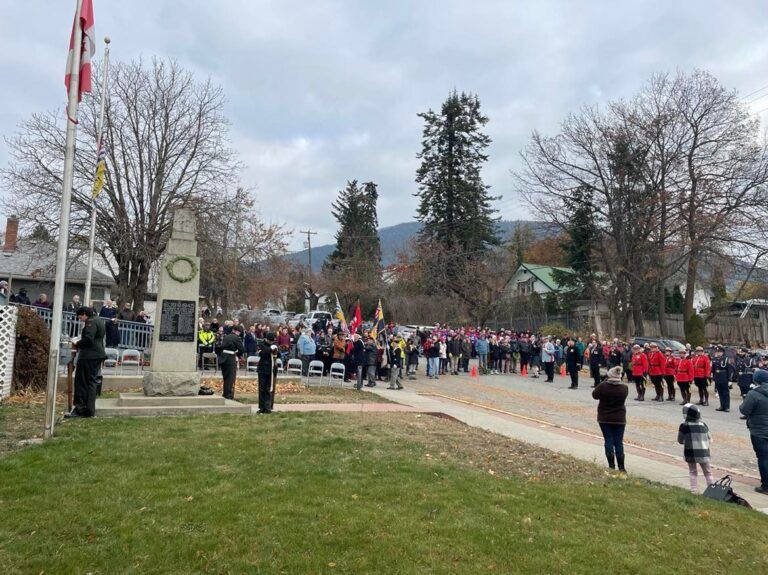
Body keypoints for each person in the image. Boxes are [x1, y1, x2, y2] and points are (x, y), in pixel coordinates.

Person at [65, 306, 106, 418]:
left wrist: (78, 343)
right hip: (97, 354)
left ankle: (80, 408)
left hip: (89, 356)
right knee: (92, 382)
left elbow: (88, 339)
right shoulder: (99, 320)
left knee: (82, 382)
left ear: (84, 314)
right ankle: (89, 410)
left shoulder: (90, 322)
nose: (80, 319)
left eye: (80, 317)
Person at [592, 366, 628, 472]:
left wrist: (603, 382)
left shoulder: (603, 386)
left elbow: (595, 395)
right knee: (618, 442)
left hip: (605, 417)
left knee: (608, 440)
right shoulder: (624, 388)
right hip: (620, 418)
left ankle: (611, 465)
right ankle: (621, 467)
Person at [739, 369, 768, 494]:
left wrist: (745, 399)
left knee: (763, 458)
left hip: (758, 430)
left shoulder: (753, 393)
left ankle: (766, 485)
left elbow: (744, 410)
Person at [677, 403, 714, 493]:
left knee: (693, 472)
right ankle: (711, 490)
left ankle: (694, 490)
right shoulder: (703, 424)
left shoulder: (684, 425)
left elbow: (680, 440)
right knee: (708, 472)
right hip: (704, 452)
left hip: (691, 452)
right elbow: (710, 439)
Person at [219, 324, 245, 400]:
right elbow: (242, 349)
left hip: (223, 357)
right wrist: (239, 354)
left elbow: (222, 347)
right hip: (230, 358)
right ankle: (228, 395)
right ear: (237, 332)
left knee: (225, 377)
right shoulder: (236, 338)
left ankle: (225, 393)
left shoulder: (226, 336)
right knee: (230, 377)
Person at [256, 332, 279, 414]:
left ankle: (268, 407)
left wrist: (276, 350)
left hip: (271, 369)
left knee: (269, 389)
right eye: (270, 341)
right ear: (266, 339)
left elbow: (278, 355)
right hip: (262, 369)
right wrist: (270, 349)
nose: (271, 343)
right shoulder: (260, 344)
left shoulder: (274, 345)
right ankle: (262, 407)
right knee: (262, 389)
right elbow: (261, 354)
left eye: (272, 341)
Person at [711, 346, 736, 412]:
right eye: (717, 352)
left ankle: (727, 407)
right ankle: (722, 406)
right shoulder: (715, 359)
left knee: (725, 393)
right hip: (717, 378)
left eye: (720, 352)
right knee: (720, 393)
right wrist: (713, 378)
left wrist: (730, 380)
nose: (718, 353)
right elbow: (713, 370)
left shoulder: (726, 359)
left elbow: (730, 370)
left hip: (724, 378)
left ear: (722, 352)